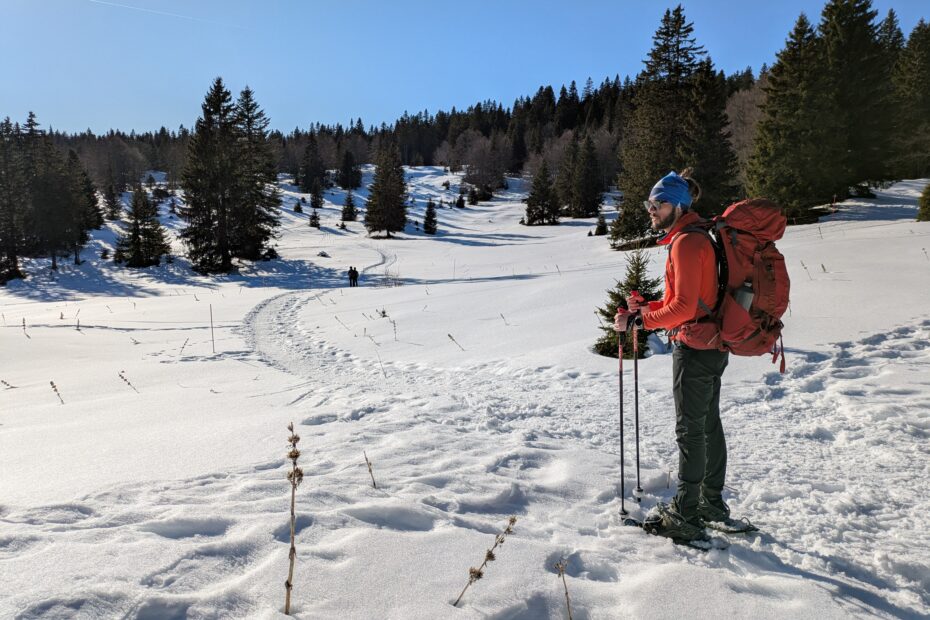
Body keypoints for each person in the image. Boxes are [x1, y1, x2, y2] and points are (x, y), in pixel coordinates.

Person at [614, 170, 734, 542]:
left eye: (658, 204)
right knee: (707, 425)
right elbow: (683, 300)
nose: (651, 210)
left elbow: (683, 309)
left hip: (695, 347)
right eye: (649, 204)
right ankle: (710, 504)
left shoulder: (686, 242)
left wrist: (638, 321)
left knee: (691, 430)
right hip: (710, 342)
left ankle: (685, 513)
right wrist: (648, 307)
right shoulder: (694, 237)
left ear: (678, 206)